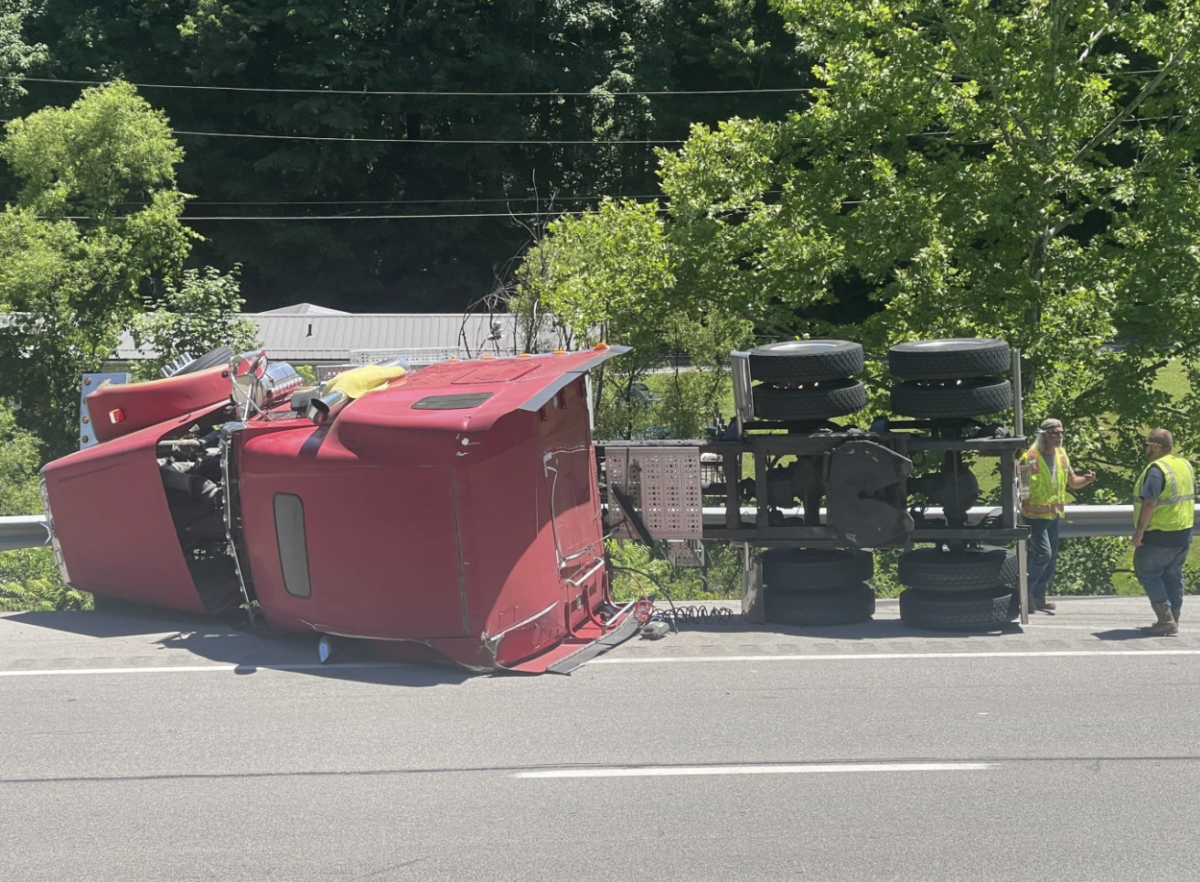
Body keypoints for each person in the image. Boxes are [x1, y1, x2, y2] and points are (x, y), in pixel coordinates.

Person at [1019, 418, 1097, 611]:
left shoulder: (1062, 455)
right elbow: (1022, 489)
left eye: (1062, 432)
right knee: (1043, 554)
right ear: (1044, 435)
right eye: (1056, 433)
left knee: (1052, 558)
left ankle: (1039, 596)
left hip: (1053, 515)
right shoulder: (1028, 458)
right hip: (1035, 517)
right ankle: (1026, 594)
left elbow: (1072, 481)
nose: (1060, 436)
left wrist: (1085, 481)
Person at [1132, 428, 1194, 637]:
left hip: (1161, 533)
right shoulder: (1184, 464)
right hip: (1183, 532)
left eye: (1147, 445)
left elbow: (1150, 502)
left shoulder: (1157, 469)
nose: (1146, 449)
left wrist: (1139, 531)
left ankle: (1165, 619)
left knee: (1147, 571)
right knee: (1173, 574)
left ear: (1156, 447)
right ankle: (1173, 618)